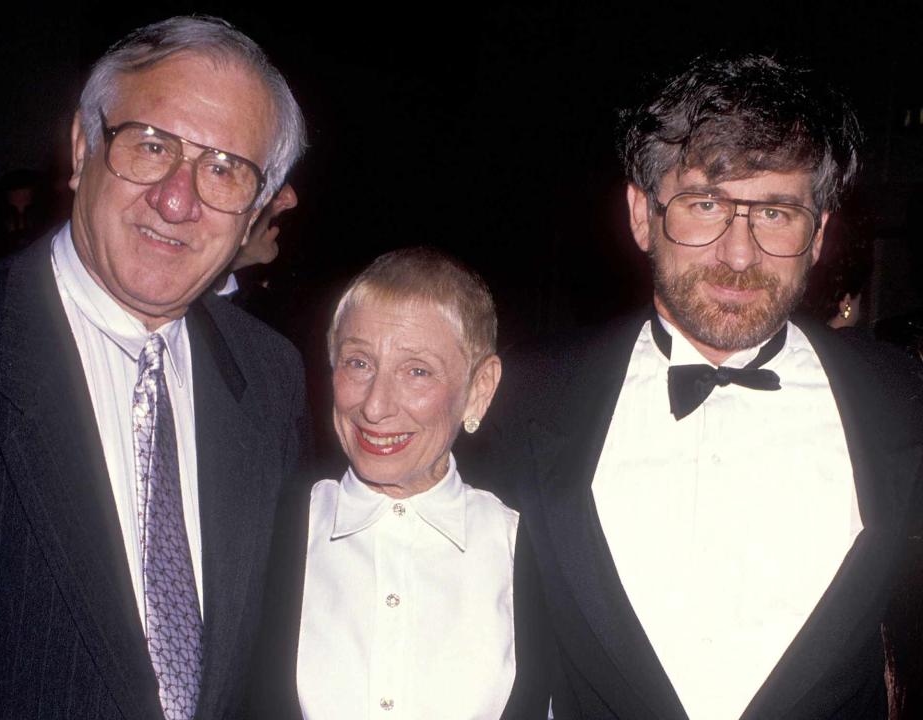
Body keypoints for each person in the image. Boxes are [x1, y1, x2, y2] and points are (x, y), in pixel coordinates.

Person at [485, 54, 923, 719]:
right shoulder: (524, 397)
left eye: (775, 213)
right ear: (642, 214)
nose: (739, 254)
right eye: (705, 203)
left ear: (819, 234)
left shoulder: (903, 402)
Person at [0, 16, 308, 720]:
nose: (178, 200)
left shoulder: (272, 379)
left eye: (223, 168)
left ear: (253, 213)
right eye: (151, 145)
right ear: (82, 147)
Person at [249, 248, 551, 719]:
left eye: (417, 371)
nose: (375, 406)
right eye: (358, 363)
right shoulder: (265, 528)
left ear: (479, 389)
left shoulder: (530, 546)